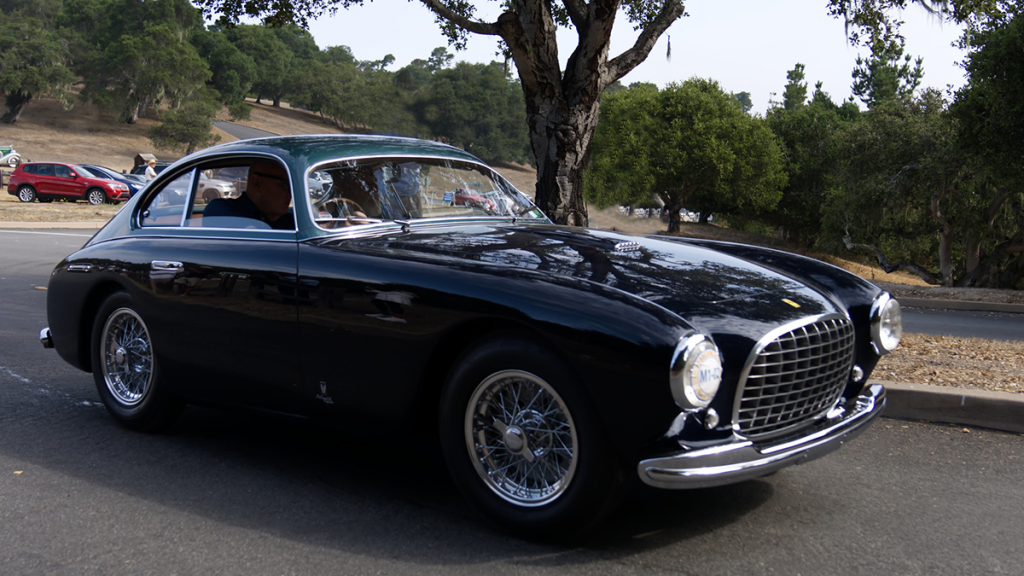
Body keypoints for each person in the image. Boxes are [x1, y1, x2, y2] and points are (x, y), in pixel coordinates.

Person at [204, 160, 295, 230]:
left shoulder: (289, 220)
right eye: (285, 185)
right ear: (257, 183)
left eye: (293, 186)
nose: (291, 193)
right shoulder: (222, 210)